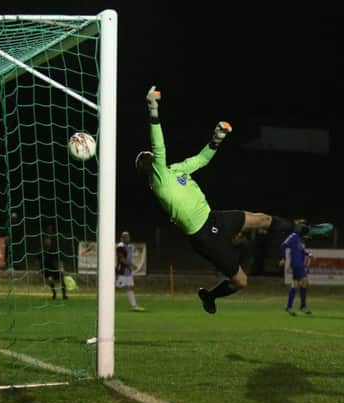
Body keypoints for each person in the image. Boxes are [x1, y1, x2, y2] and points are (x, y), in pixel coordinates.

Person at [135, 85, 332, 314]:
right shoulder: (158, 182)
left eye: (146, 155)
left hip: (214, 218)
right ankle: (210, 296)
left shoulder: (175, 170)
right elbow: (158, 145)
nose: (147, 156)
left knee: (262, 219)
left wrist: (216, 139)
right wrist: (153, 107)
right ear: (146, 169)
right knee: (241, 281)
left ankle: (302, 228)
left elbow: (201, 159)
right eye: (143, 159)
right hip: (204, 237)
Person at [280, 226, 312, 316]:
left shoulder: (300, 239)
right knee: (303, 282)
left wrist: (308, 254)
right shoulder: (292, 236)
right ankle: (300, 306)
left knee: (297, 284)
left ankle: (291, 306)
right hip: (296, 264)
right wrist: (283, 258)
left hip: (300, 264)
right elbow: (283, 246)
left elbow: (302, 250)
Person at [116, 231, 145, 312]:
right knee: (115, 288)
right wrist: (132, 265)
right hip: (121, 271)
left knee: (130, 288)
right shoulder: (120, 246)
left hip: (128, 272)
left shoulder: (128, 246)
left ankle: (134, 306)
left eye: (128, 236)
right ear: (121, 238)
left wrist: (130, 267)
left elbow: (127, 258)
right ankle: (104, 303)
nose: (128, 238)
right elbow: (122, 259)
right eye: (125, 237)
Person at [41, 224, 67, 300]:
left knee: (62, 279)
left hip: (54, 267)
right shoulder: (44, 251)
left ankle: (64, 295)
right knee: (50, 280)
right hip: (48, 267)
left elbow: (60, 258)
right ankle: (54, 294)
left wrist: (61, 267)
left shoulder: (54, 248)